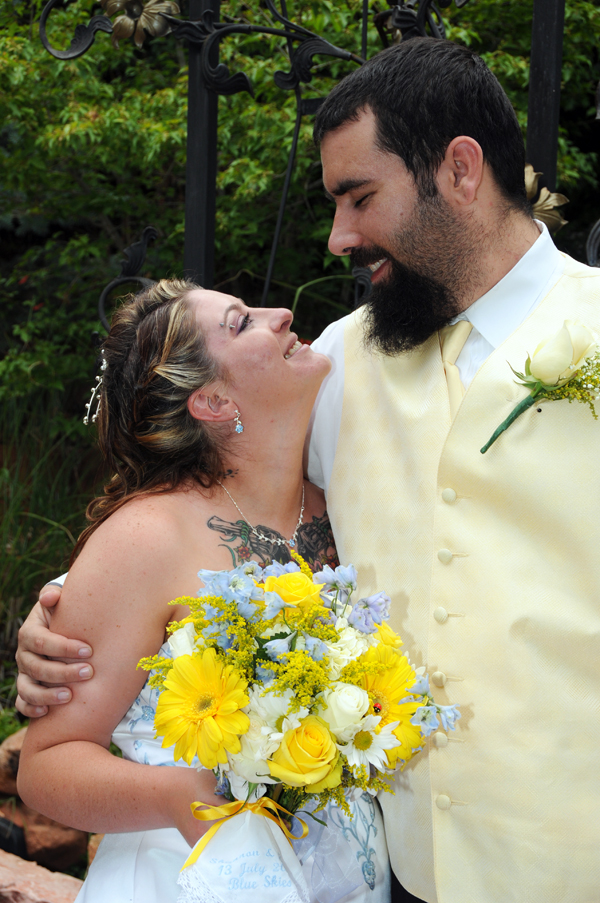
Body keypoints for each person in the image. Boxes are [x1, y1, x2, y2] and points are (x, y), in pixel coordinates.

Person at [16, 36, 600, 902]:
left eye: (360, 197)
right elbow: (214, 504)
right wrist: (56, 622)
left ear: (462, 171)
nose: (337, 238)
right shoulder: (334, 366)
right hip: (393, 876)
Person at [16, 279, 391, 903]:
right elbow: (46, 764)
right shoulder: (146, 536)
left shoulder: (346, 508)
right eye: (242, 322)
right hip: (189, 877)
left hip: (349, 881)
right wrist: (177, 797)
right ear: (213, 401)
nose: (283, 315)